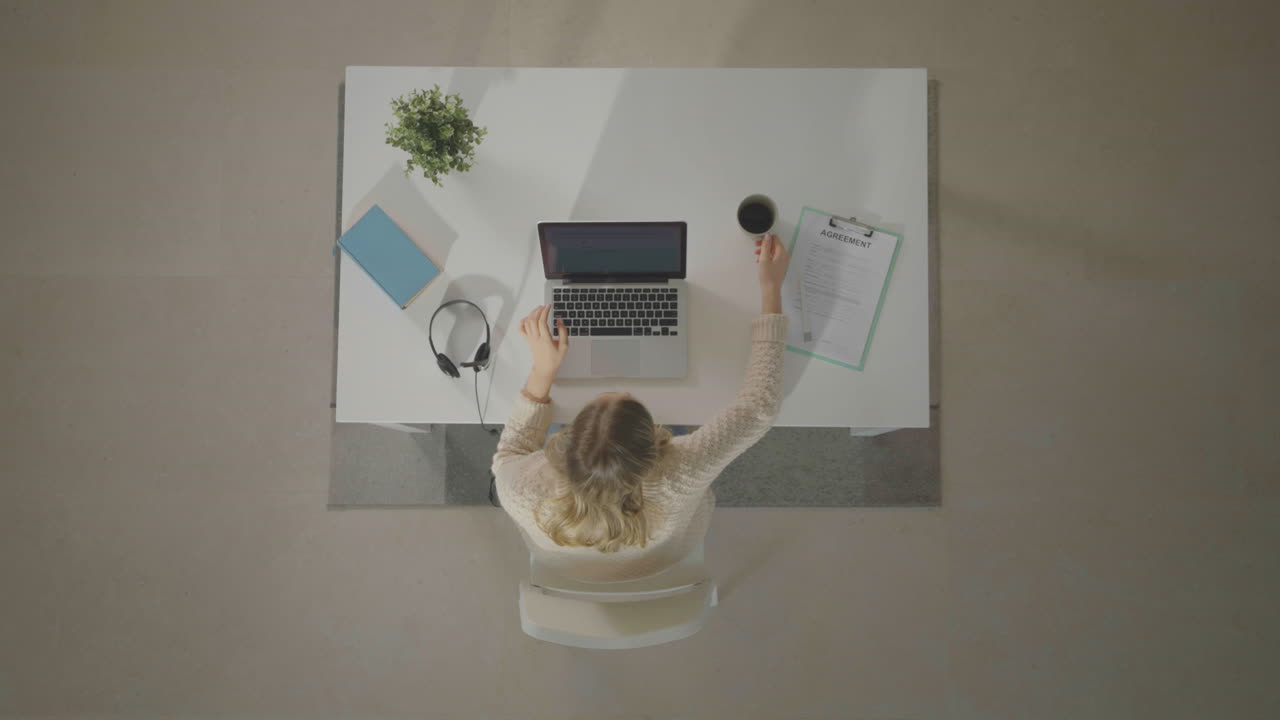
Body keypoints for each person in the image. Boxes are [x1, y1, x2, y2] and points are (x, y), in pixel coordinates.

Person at [491, 233, 791, 582]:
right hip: (664, 555)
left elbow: (511, 450)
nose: (620, 387)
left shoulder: (521, 491)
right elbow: (760, 408)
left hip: (566, 565)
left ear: (570, 445)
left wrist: (542, 372)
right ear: (654, 446)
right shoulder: (682, 471)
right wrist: (771, 288)